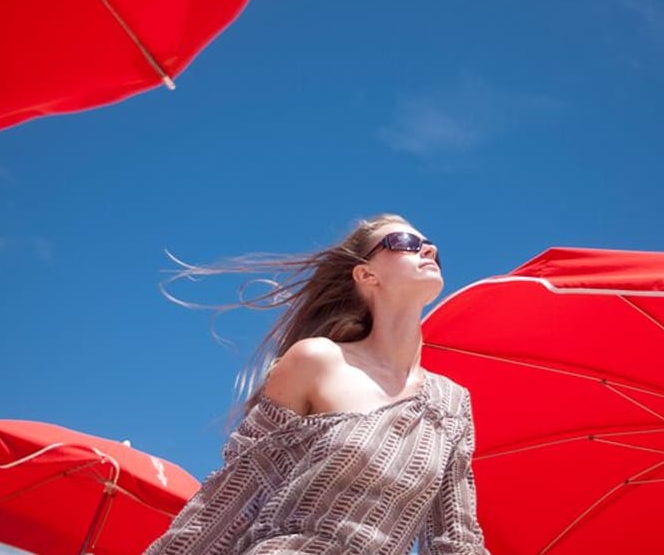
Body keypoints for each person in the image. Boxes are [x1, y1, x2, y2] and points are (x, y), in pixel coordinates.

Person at [144, 214, 488, 554]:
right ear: (366, 274)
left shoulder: (451, 402)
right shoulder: (317, 360)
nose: (429, 250)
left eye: (430, 247)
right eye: (406, 243)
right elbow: (230, 499)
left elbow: (457, 540)